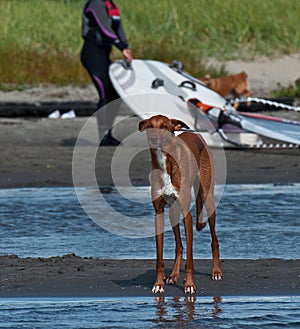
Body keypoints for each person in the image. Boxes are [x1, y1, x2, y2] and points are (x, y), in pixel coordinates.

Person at [81, 0, 133, 145]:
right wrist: (120, 46)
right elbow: (105, 28)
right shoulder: (95, 4)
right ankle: (102, 135)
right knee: (104, 93)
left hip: (104, 55)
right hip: (92, 54)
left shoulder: (111, 5)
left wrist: (126, 46)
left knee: (115, 94)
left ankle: (108, 133)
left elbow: (119, 28)